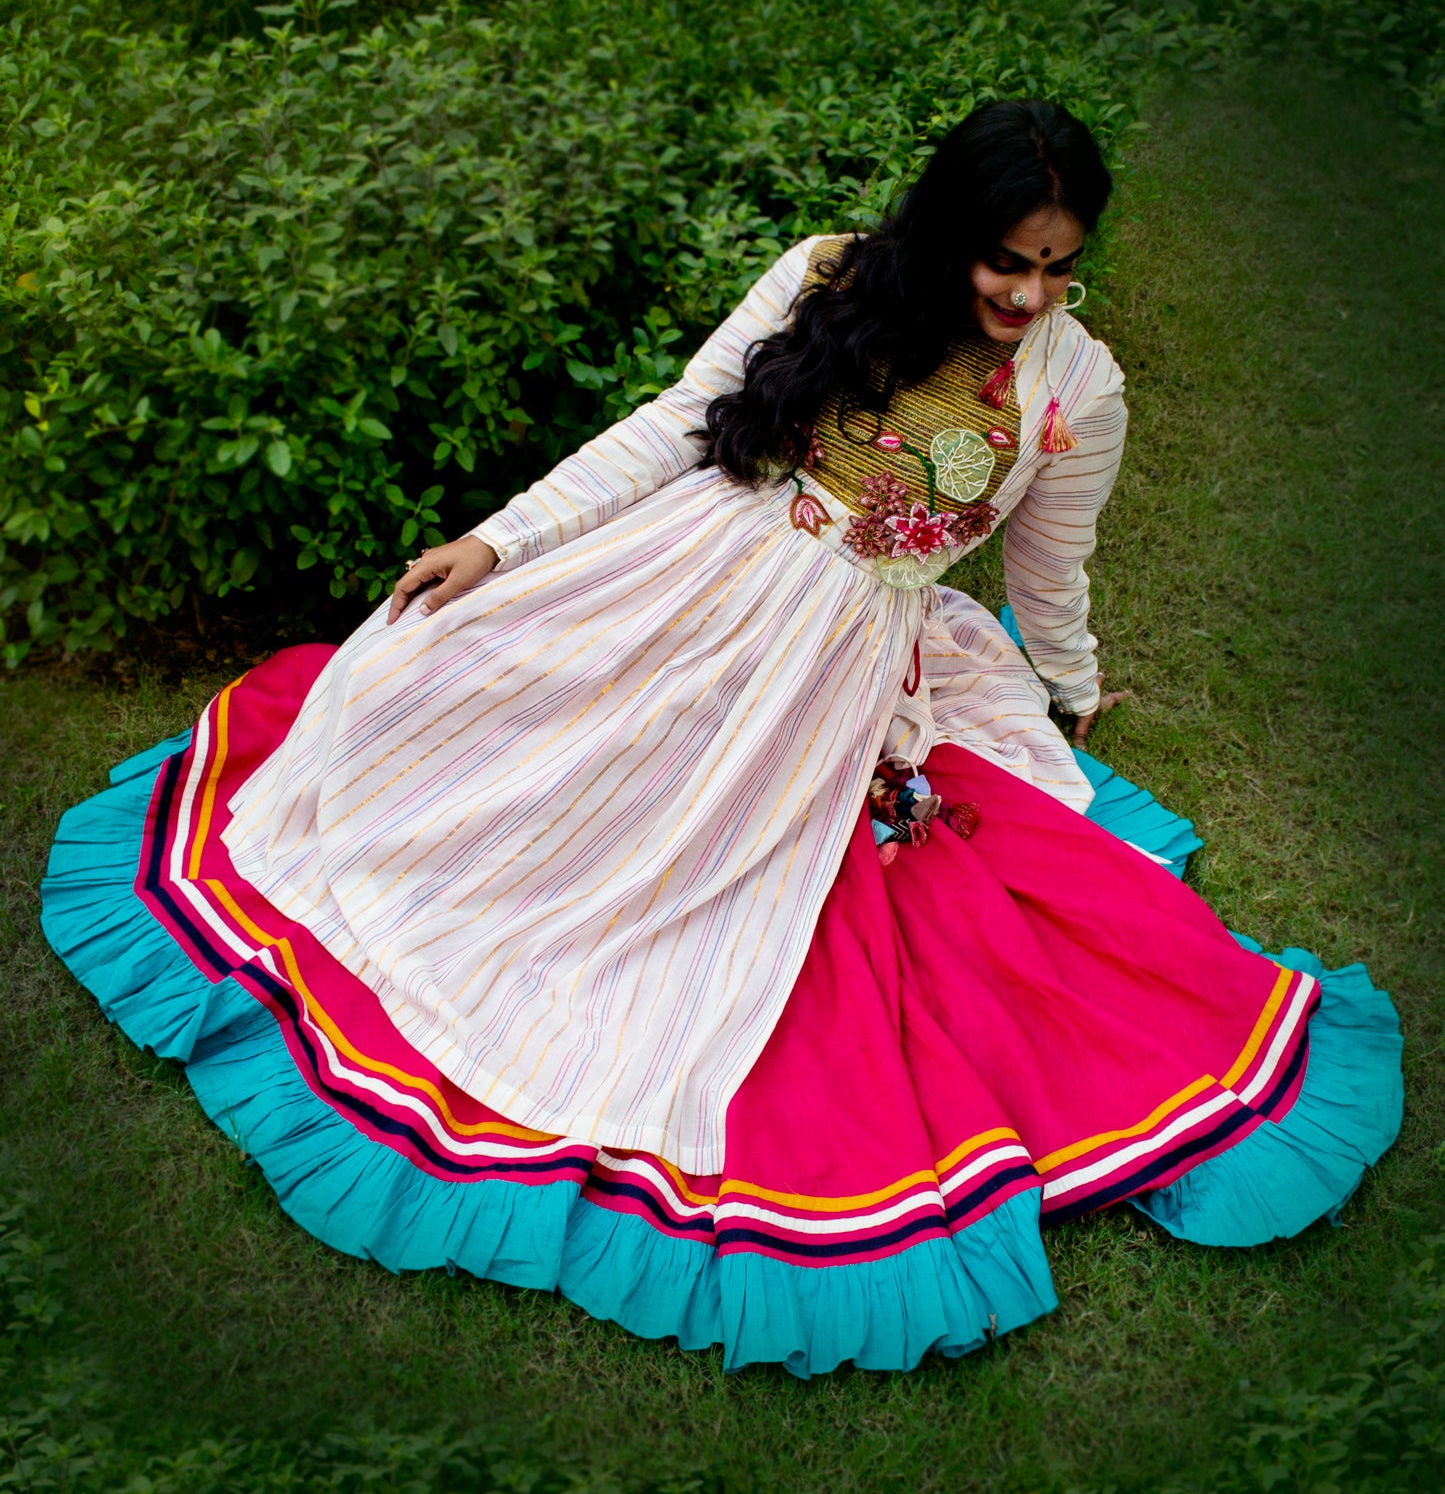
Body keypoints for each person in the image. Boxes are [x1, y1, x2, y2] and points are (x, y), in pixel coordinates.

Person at [41, 100, 1402, 1378]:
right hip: (676, 572)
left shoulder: (1073, 390)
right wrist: (499, 539)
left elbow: (1050, 565)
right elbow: (676, 430)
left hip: (828, 655)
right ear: (944, 229)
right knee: (455, 701)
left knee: (709, 882)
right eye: (1002, 263)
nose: (1025, 296)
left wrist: (1066, 683)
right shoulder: (829, 277)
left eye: (1055, 269)